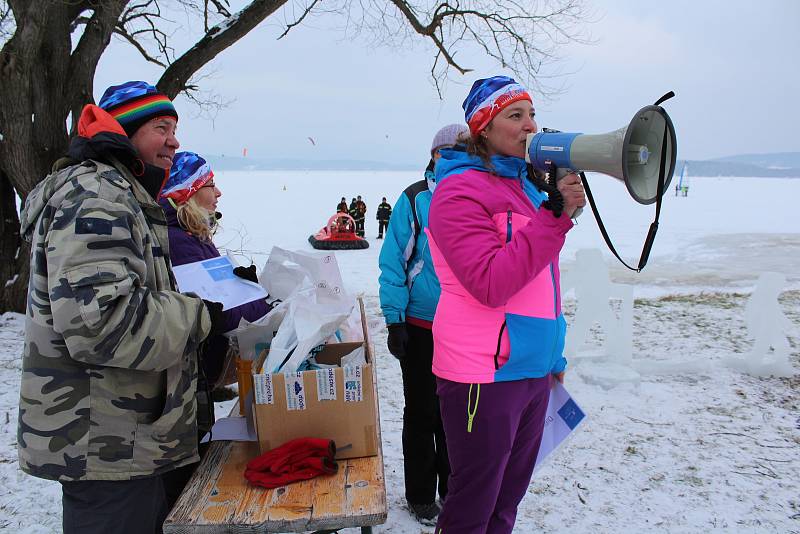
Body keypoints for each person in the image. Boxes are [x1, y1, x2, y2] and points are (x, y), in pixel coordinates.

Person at [17, 81, 227, 534]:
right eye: (160, 127)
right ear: (124, 132)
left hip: (129, 437)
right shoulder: (96, 198)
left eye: (175, 129)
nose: (174, 141)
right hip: (106, 447)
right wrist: (202, 315)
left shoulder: (124, 195)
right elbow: (104, 323)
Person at [426, 76, 586, 534]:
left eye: (531, 114)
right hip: (483, 372)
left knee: (506, 502)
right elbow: (492, 283)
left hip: (532, 369)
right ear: (483, 129)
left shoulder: (526, 188)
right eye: (515, 116)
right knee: (472, 507)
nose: (530, 126)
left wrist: (552, 356)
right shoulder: (458, 193)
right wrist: (556, 217)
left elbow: (543, 282)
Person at [157, 151, 272, 496]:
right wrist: (262, 307)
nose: (218, 193)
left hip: (197, 376)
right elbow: (218, 311)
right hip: (188, 377)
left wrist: (251, 291)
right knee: (187, 477)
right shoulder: (179, 242)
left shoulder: (192, 236)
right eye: (210, 185)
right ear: (186, 193)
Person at [378, 123, 468, 525]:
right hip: (419, 324)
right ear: (434, 155)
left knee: (458, 414)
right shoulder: (415, 199)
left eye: (469, 150)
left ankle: (454, 489)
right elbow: (393, 261)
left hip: (464, 327)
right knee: (422, 411)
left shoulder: (476, 195)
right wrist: (395, 320)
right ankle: (419, 494)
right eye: (452, 151)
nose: (461, 157)